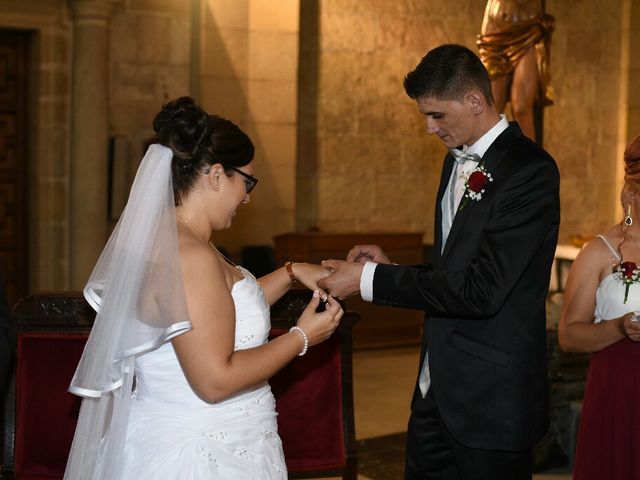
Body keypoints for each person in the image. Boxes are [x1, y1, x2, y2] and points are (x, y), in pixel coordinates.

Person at [64, 96, 343, 480]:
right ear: (215, 175)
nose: (247, 197)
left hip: (209, 436)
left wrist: (291, 272)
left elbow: (222, 309)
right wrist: (302, 336)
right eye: (247, 181)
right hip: (197, 454)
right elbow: (214, 380)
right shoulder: (191, 256)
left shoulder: (177, 241)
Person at [319, 44, 560, 479]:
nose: (430, 129)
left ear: (473, 101)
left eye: (436, 115)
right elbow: (455, 275)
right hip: (434, 392)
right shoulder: (454, 165)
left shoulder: (530, 171)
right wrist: (391, 271)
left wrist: (369, 280)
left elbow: (482, 292)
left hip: (491, 400)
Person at [558, 136, 640, 479]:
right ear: (633, 193)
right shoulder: (600, 252)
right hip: (620, 387)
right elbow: (569, 335)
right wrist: (619, 328)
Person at [476, 0, 555, 141]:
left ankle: (530, 161)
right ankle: (484, 160)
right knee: (491, 109)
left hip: (528, 28)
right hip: (495, 32)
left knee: (521, 108)